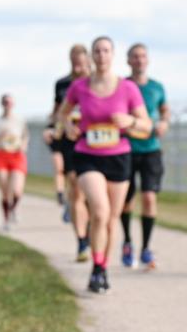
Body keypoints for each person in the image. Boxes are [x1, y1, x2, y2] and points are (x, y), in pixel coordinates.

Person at [57, 36, 151, 293]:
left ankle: (101, 266)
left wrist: (129, 121)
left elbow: (146, 125)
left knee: (110, 219)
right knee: (99, 211)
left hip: (119, 156)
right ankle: (97, 267)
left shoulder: (127, 89)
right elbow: (63, 114)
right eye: (96, 51)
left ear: (112, 55)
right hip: (87, 154)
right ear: (91, 56)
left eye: (106, 51)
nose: (101, 55)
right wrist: (68, 126)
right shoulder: (79, 87)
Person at [120, 43, 170, 270]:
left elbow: (164, 110)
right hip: (126, 149)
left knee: (149, 198)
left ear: (147, 60)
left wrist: (163, 123)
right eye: (135, 57)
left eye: (142, 56)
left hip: (151, 148)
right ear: (128, 61)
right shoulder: (123, 86)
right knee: (126, 200)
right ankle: (128, 242)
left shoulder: (156, 87)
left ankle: (146, 248)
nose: (139, 60)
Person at [49, 45, 92, 260]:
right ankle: (82, 241)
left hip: (94, 140)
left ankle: (92, 224)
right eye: (74, 59)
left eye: (81, 60)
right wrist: (52, 128)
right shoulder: (62, 84)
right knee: (76, 188)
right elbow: (57, 112)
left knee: (92, 194)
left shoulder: (97, 83)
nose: (78, 64)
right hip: (70, 141)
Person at [0, 94, 29, 231]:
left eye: (10, 102)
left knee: (17, 190)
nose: (7, 104)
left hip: (17, 154)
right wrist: (0, 137)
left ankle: (13, 209)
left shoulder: (19, 120)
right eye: (5, 102)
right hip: (1, 154)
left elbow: (25, 136)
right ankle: (6, 220)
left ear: (13, 104)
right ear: (2, 104)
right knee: (5, 191)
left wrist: (23, 145)